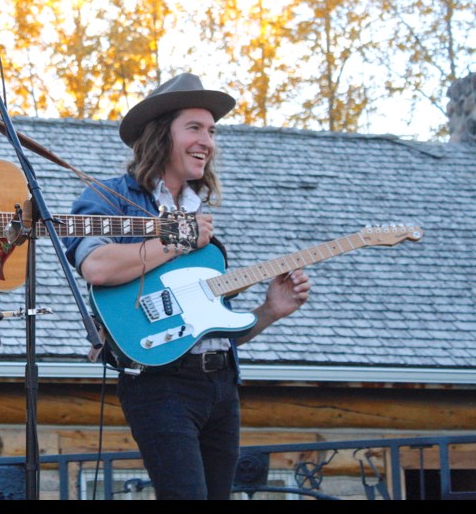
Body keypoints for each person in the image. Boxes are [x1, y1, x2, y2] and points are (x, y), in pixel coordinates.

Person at [63, 73, 311, 500]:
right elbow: (97, 267)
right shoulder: (111, 199)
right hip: (159, 384)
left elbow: (212, 330)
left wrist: (270, 310)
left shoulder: (204, 225)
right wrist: (178, 238)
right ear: (161, 135)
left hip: (221, 386)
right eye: (194, 128)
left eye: (211, 131)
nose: (207, 141)